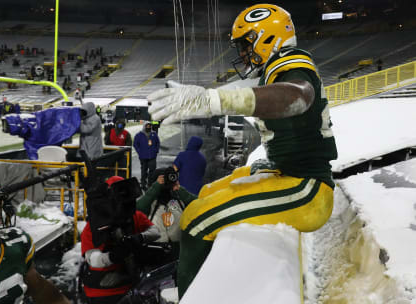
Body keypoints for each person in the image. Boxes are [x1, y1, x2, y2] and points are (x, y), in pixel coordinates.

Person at [147, 4, 338, 297]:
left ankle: (190, 295)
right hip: (293, 173)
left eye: (246, 44)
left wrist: (214, 100)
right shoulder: (278, 67)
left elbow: (299, 96)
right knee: (207, 193)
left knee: (197, 220)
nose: (243, 53)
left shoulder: (292, 64)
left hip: (308, 188)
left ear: (267, 37)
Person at [81, 176, 160, 304]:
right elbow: (93, 260)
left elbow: (156, 232)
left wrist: (139, 238)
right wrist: (112, 256)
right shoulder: (93, 226)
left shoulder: (135, 216)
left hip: (130, 285)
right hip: (101, 291)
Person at [136, 167, 197, 260]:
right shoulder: (151, 202)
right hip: (155, 249)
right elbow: (138, 208)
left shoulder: (179, 200)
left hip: (178, 249)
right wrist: (155, 187)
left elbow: (198, 205)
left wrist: (179, 189)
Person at [133, 121, 160, 190]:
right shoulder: (139, 135)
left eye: (149, 126)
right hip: (143, 156)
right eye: (147, 126)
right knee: (144, 170)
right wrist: (139, 152)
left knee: (152, 170)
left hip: (152, 156)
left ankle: (150, 183)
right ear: (144, 126)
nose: (148, 127)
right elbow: (135, 144)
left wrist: (156, 151)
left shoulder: (154, 134)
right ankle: (143, 183)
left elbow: (158, 143)